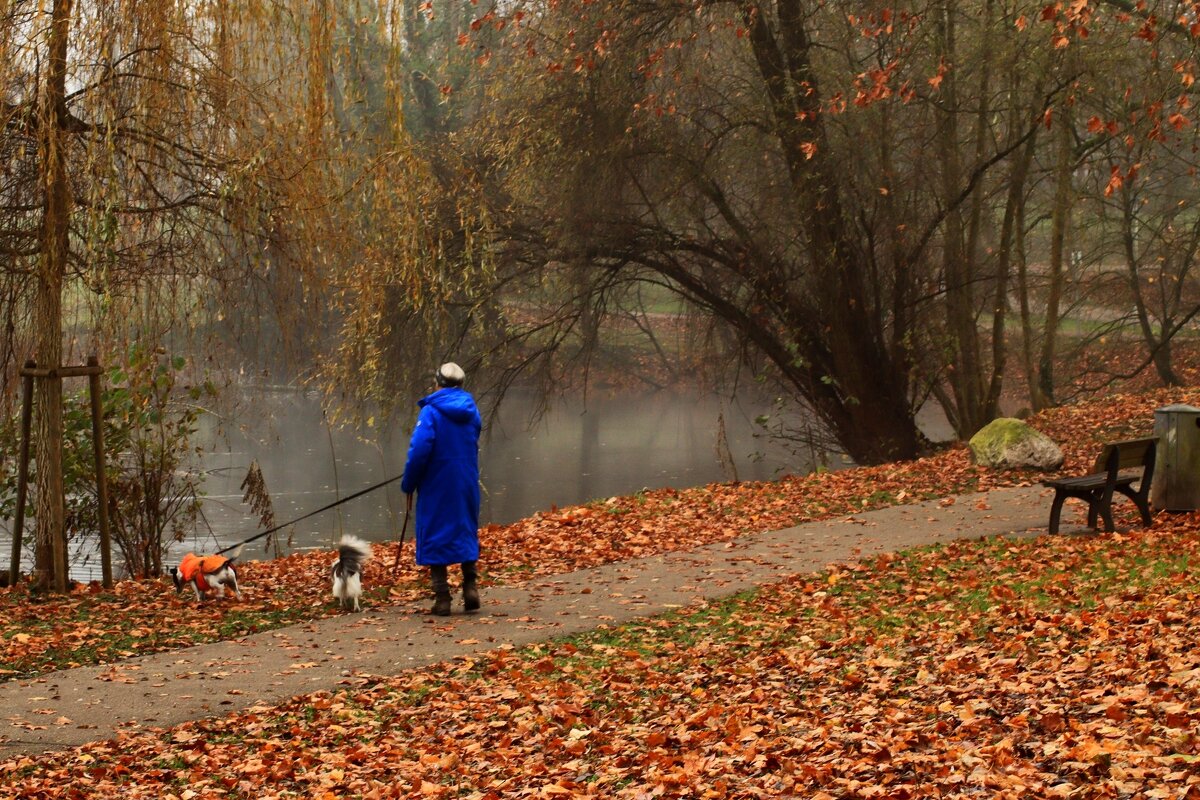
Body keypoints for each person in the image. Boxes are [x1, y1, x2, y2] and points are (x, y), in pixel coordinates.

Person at [400, 362, 483, 616]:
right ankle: (470, 587)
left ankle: (443, 598)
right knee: (464, 528)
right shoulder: (471, 410)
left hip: (437, 483)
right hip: (465, 480)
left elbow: (420, 450)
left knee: (435, 531)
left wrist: (409, 482)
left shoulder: (430, 412)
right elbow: (472, 440)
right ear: (461, 384)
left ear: (437, 384)